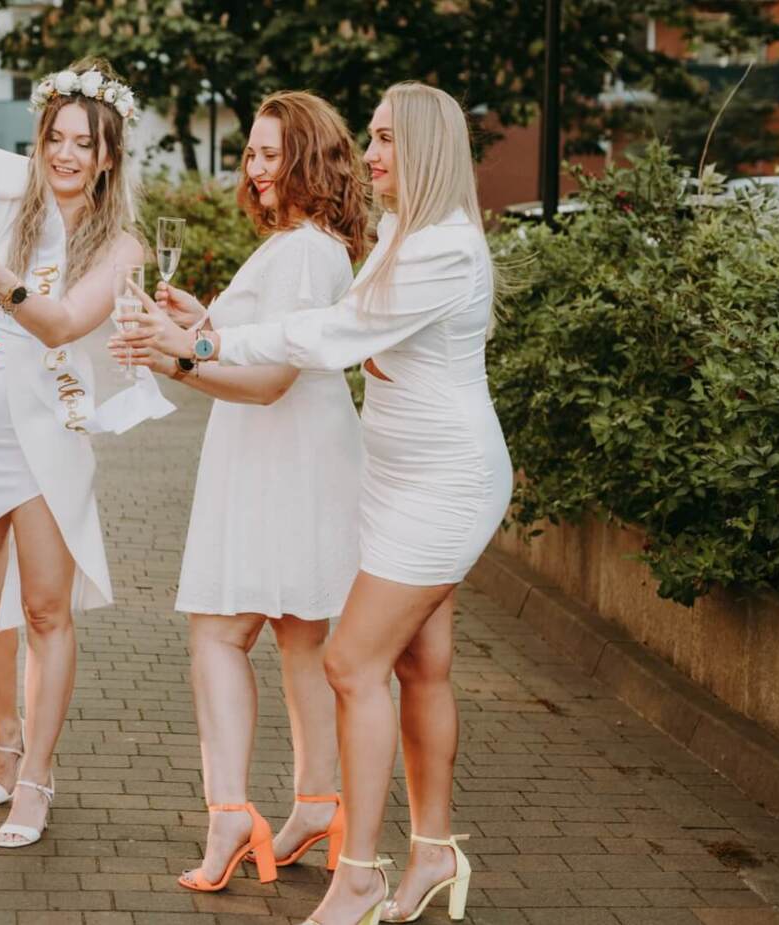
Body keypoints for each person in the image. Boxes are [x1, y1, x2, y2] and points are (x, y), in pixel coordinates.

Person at [117, 81, 511, 925]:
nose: (368, 155)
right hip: (395, 474)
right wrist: (213, 327)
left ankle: (359, 873)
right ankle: (433, 851)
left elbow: (329, 334)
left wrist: (201, 343)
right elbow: (331, 320)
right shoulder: (404, 233)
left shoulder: (442, 247)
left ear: (428, 150)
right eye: (367, 138)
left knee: (348, 663)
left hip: (445, 479)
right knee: (418, 665)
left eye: (385, 140)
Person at [0, 58, 171, 850]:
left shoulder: (119, 243)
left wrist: (5, 280)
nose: (67, 154)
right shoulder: (1, 184)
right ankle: (5, 737)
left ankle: (39, 774)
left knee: (46, 609)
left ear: (108, 154)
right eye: (57, 137)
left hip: (47, 436)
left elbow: (64, 323)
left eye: (85, 142)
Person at [113, 90, 366, 892]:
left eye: (268, 153)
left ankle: (229, 810)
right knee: (301, 638)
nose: (254, 169)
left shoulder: (301, 251)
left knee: (218, 635)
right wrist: (199, 321)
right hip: (300, 456)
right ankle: (321, 802)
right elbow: (257, 342)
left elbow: (266, 381)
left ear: (306, 158)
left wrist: (176, 358)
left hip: (275, 460)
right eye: (250, 153)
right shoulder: (313, 245)